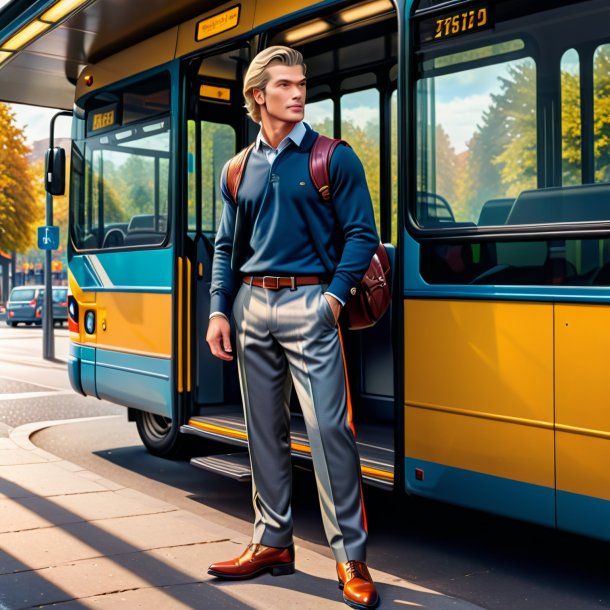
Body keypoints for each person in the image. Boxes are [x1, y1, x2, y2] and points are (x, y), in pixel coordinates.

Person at [206, 45, 380, 610]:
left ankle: (350, 558)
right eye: (284, 85)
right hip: (251, 306)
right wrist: (217, 309)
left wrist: (331, 300)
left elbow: (360, 235)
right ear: (259, 96)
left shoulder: (335, 158)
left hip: (312, 304)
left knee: (331, 433)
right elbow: (227, 247)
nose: (298, 93)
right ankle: (272, 542)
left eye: (301, 84)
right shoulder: (237, 169)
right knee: (262, 432)